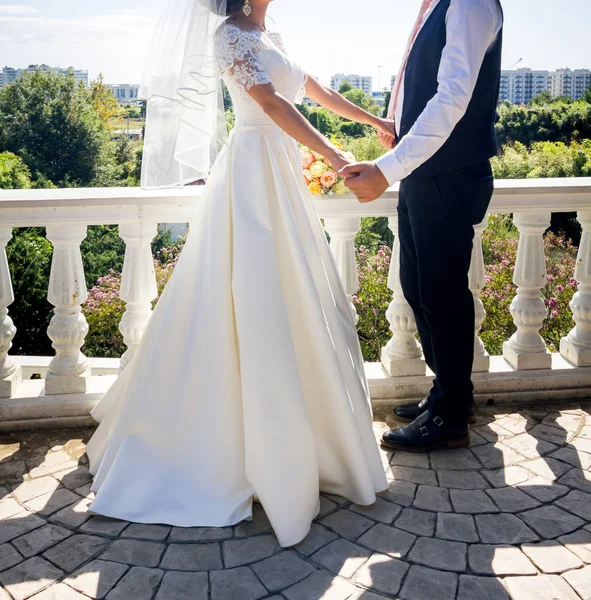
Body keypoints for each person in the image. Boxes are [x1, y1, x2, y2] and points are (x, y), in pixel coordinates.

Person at [86, 0, 391, 548]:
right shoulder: (230, 35)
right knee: (252, 292)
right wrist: (333, 152)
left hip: (282, 173)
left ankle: (316, 447)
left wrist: (375, 121)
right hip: (253, 172)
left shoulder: (269, 31)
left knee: (297, 295)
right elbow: (269, 102)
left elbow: (313, 88)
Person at [342, 0, 504, 452]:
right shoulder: (440, 4)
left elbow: (453, 96)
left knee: (443, 293)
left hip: (448, 174)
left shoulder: (470, 3)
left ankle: (451, 415)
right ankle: (449, 397)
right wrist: (398, 122)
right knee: (418, 287)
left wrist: (388, 167)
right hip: (426, 171)